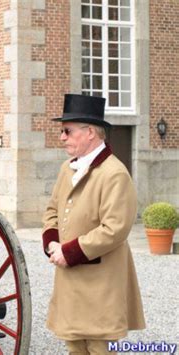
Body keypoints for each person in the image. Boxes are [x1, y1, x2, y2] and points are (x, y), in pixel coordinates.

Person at [42, 94, 145, 355]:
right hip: (70, 278)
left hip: (101, 281)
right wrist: (52, 242)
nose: (62, 137)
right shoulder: (68, 168)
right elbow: (53, 209)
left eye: (67, 131)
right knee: (74, 345)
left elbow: (115, 228)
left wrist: (70, 251)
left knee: (100, 347)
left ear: (90, 133)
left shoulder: (115, 173)